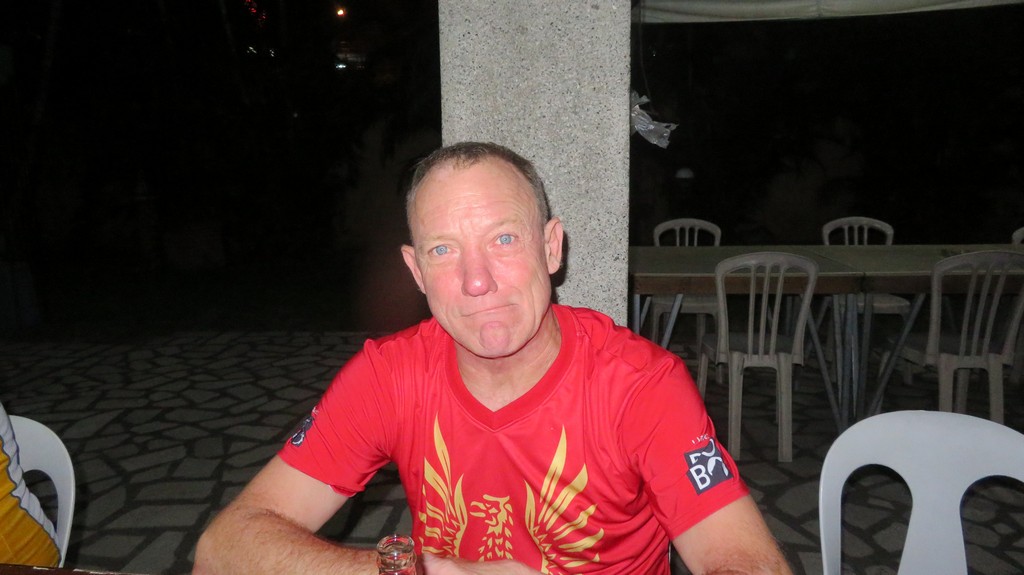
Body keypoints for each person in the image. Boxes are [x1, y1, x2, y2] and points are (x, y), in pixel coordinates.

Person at [194, 142, 792, 574]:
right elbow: (223, 547)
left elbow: (748, 562)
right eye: (443, 250)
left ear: (551, 248)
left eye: (503, 240)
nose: (476, 280)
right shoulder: (389, 378)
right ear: (416, 272)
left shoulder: (640, 387)